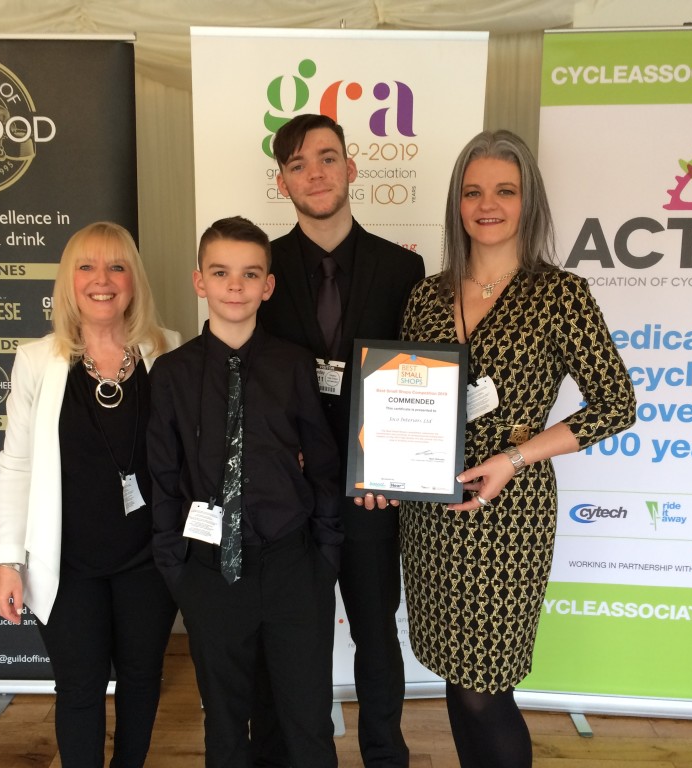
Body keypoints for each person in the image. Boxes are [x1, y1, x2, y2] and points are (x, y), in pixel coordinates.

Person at [398, 129, 637, 767]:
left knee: (484, 690)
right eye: (473, 191)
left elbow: (616, 405)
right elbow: (403, 398)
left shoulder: (561, 295)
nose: (487, 204)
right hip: (432, 515)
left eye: (505, 190)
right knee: (454, 675)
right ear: (456, 202)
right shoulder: (426, 295)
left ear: (528, 202)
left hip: (509, 512)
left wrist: (514, 458)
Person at [255, 113, 424, 767]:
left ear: (352, 169)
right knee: (291, 638)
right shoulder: (261, 269)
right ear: (282, 182)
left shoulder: (401, 268)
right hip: (289, 493)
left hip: (371, 490)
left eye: (327, 158)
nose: (315, 173)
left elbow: (417, 375)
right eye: (298, 164)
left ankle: (385, 755)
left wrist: (397, 465)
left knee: (376, 636)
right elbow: (251, 369)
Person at [149, 216, 343, 768]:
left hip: (291, 568)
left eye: (250, 273)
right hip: (210, 573)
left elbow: (323, 467)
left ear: (268, 286)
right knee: (227, 726)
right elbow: (163, 478)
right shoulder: (171, 374)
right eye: (221, 272)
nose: (235, 285)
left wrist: (324, 558)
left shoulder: (294, 365)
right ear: (199, 282)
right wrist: (175, 568)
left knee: (307, 720)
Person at [0, 221, 179, 768]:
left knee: (144, 681)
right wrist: (8, 561)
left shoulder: (168, 353)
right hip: (66, 562)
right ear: (68, 282)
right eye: (87, 267)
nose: (103, 280)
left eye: (117, 266)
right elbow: (16, 465)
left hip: (149, 560)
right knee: (79, 686)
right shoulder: (36, 361)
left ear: (134, 281)